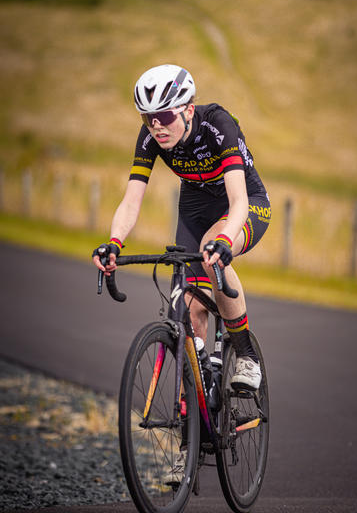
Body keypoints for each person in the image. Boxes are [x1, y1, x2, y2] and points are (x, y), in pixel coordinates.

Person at [92, 63, 271, 390]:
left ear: (188, 110)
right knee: (190, 309)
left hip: (244, 204)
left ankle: (246, 356)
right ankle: (200, 402)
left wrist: (225, 239)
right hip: (194, 208)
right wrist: (114, 242)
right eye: (148, 118)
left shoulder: (218, 124)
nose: (157, 126)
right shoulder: (149, 136)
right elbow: (132, 199)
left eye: (165, 117)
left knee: (209, 250)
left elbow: (239, 198)